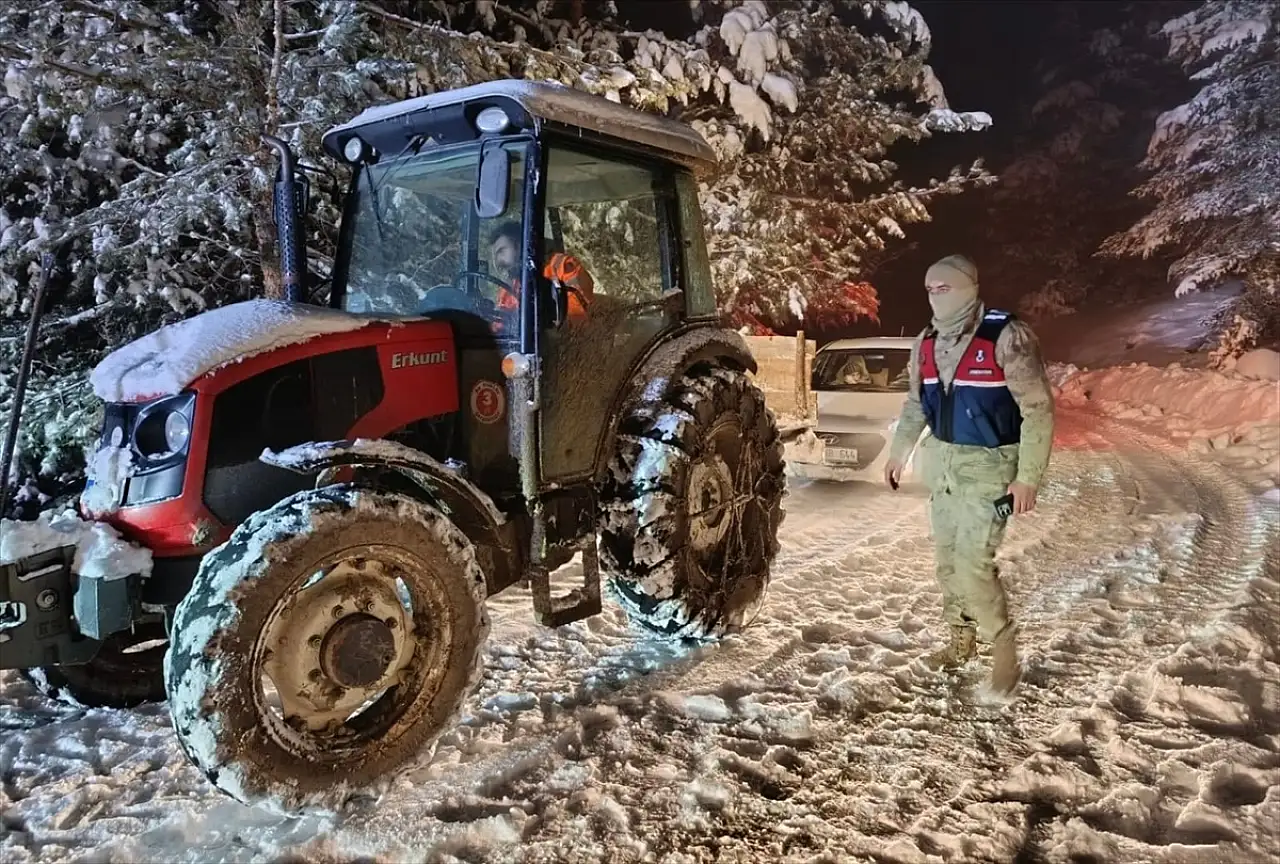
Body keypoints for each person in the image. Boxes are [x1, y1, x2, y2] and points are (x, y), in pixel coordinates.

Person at [883, 254, 1054, 697]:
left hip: (989, 469)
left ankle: (1003, 649)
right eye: (930, 289)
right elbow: (917, 404)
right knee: (947, 563)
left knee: (972, 565)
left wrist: (1028, 478)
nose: (936, 296)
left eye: (945, 287)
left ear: (969, 287)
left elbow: (1037, 410)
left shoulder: (1006, 336)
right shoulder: (925, 341)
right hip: (942, 469)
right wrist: (899, 450)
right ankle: (960, 640)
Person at [487, 221, 594, 321]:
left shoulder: (562, 266)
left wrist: (536, 316)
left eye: (501, 251)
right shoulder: (507, 288)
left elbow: (580, 309)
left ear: (520, 244)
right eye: (494, 257)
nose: (497, 261)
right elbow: (498, 324)